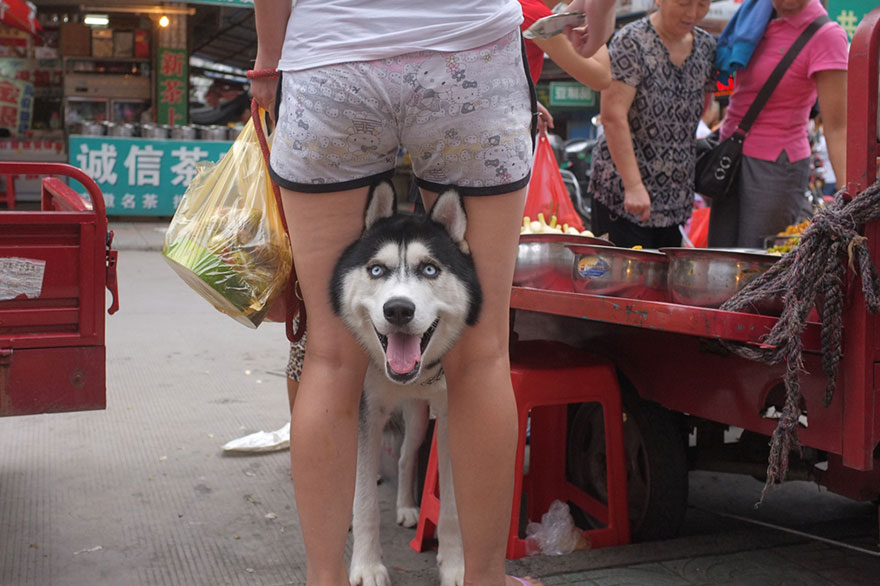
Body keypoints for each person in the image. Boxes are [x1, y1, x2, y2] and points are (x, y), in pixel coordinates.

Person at [251, 2, 617, 585]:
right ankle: (484, 579)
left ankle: (324, 578)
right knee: (482, 356)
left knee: (329, 355)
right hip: (468, 52)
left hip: (332, 55)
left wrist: (270, 57)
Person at [707, 0, 848, 248]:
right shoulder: (753, 17)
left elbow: (837, 127)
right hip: (730, 155)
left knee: (758, 263)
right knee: (720, 258)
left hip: (776, 165)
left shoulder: (826, 35)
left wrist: (848, 194)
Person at [588, 0, 717, 248]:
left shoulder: (706, 46)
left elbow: (699, 109)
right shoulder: (632, 41)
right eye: (684, 3)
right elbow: (613, 116)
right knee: (620, 282)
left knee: (662, 282)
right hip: (622, 192)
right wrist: (633, 185)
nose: (692, 13)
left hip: (674, 197)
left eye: (702, 4)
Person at [519, 0, 612, 131]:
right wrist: (589, 14)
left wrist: (528, 99)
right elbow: (601, 77)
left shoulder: (519, 6)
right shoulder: (534, 13)